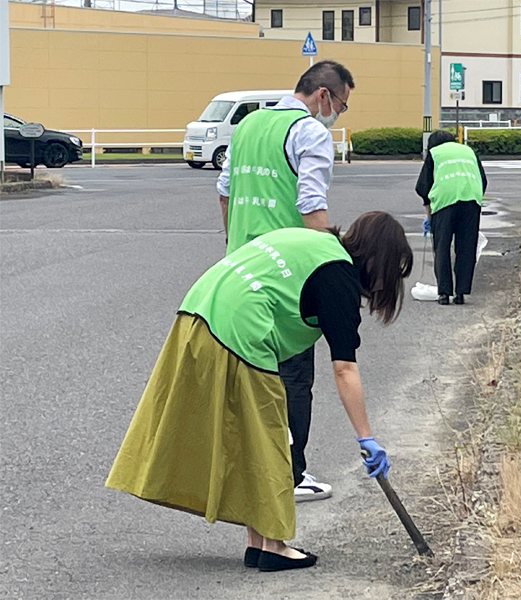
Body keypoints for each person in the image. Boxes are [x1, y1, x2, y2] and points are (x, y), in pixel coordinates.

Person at [106, 211, 414, 572]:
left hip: (198, 309)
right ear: (379, 260)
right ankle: (274, 545)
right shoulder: (338, 277)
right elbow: (344, 368)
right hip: (239, 329)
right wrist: (367, 438)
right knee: (270, 437)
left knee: (249, 437)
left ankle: (258, 541)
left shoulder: (315, 242)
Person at [217, 60, 354, 502]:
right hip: (286, 275)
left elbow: (225, 191)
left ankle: (252, 472)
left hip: (239, 267)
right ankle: (290, 476)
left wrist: (235, 240)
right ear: (324, 96)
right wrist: (331, 262)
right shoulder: (311, 132)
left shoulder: (248, 125)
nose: (337, 115)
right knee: (293, 379)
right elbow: (312, 203)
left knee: (252, 378)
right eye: (342, 106)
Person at [415, 130, 488, 305]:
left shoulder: (435, 154)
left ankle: (444, 293)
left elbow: (423, 187)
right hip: (471, 199)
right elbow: (483, 180)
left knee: (442, 247)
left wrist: (429, 216)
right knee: (466, 247)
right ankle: (461, 292)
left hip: (445, 201)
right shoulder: (469, 151)